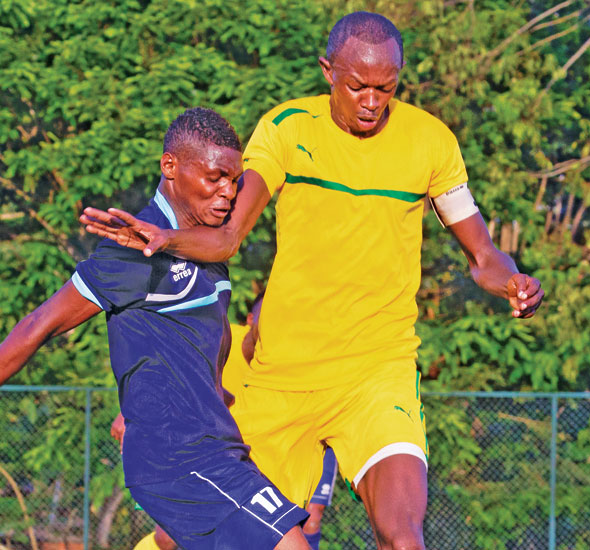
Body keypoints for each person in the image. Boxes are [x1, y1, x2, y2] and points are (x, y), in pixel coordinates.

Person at [80, 12, 544, 550]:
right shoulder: (288, 130)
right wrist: (164, 239)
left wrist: (512, 282)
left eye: (386, 88)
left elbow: (483, 255)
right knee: (184, 537)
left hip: (377, 373)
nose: (371, 100)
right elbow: (228, 238)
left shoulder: (432, 142)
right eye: (357, 86)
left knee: (403, 537)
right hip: (282, 379)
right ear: (328, 71)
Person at [0, 108, 311, 550]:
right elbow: (38, 324)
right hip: (177, 456)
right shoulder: (132, 250)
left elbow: (190, 339)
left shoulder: (207, 241)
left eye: (234, 180)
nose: (227, 192)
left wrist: (205, 392)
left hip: (215, 446)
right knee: (289, 543)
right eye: (216, 177)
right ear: (170, 167)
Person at [119, 292, 336, 550]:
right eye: (271, 317)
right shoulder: (221, 340)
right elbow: (168, 365)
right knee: (167, 537)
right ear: (251, 319)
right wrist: (128, 409)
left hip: (279, 451)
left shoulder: (299, 364)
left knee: (301, 522)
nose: (279, 326)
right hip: (216, 453)